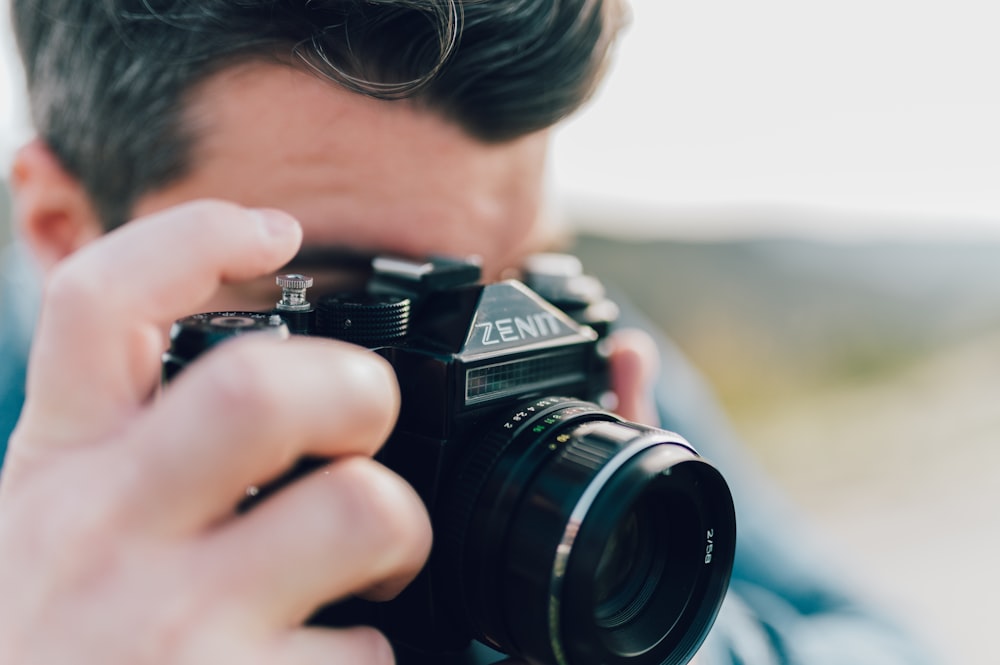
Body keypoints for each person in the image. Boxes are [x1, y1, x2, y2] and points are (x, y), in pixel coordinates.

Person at [0, 2, 937, 663]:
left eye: (519, 272)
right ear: (67, 237)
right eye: (366, 304)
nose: (491, 336)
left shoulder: (581, 345)